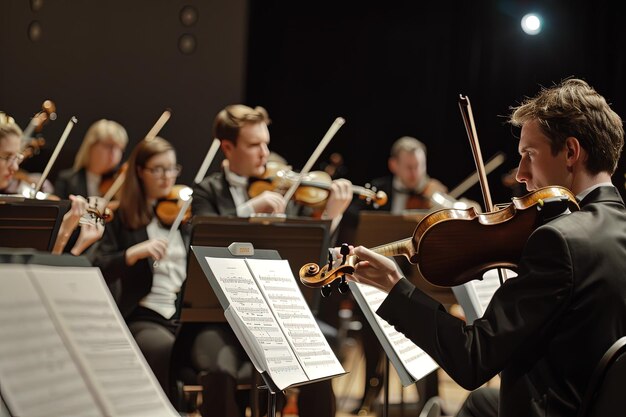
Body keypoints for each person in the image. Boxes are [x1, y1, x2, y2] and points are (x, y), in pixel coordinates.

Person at [343, 78, 626, 417]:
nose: (520, 174)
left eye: (529, 155)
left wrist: (394, 286)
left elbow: (473, 359)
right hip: (593, 403)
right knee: (481, 405)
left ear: (570, 152)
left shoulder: (558, 240)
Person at [190, 104, 353, 417]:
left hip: (272, 317)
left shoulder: (284, 192)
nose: (265, 153)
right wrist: (249, 210)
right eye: (254, 145)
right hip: (218, 318)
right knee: (220, 372)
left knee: (323, 359)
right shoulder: (206, 192)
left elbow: (309, 263)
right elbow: (204, 243)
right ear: (228, 147)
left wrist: (332, 215)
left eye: (266, 143)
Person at [89, 137, 189, 400]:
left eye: (171, 168)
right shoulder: (121, 218)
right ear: (139, 172)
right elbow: (97, 266)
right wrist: (132, 254)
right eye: (158, 169)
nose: (167, 177)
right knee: (163, 347)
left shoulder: (181, 218)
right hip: (143, 315)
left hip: (181, 314)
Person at [54, 118, 128, 200]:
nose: (115, 153)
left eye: (120, 148)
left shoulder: (121, 182)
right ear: (91, 146)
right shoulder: (67, 181)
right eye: (109, 146)